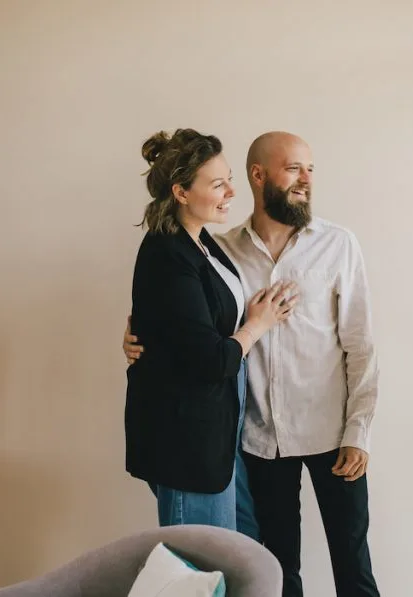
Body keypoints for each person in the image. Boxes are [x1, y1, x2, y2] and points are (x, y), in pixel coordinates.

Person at [124, 131, 381, 597]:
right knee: (276, 570)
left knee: (354, 568)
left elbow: (362, 346)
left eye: (310, 169)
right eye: (293, 169)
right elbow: (187, 320)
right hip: (259, 441)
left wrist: (358, 432)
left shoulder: (338, 244)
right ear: (259, 175)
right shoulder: (223, 250)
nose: (306, 180)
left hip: (331, 435)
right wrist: (140, 339)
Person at [125, 128, 296, 532]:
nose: (231, 192)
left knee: (241, 548)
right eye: (218, 184)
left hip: (218, 430)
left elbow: (189, 326)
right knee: (199, 571)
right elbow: (209, 359)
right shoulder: (166, 253)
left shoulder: (204, 242)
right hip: (188, 441)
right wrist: (258, 326)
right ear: (181, 192)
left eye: (230, 179)